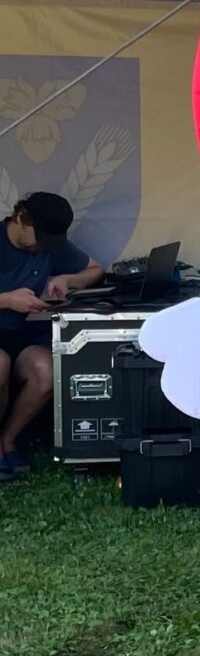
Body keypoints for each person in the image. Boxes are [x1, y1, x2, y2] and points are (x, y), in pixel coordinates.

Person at [0, 192, 104, 480]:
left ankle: (8, 439)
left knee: (46, 371)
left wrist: (66, 279)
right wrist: (8, 300)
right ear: (21, 219)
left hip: (17, 335)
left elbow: (96, 270)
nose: (43, 247)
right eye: (41, 238)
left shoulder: (50, 246)